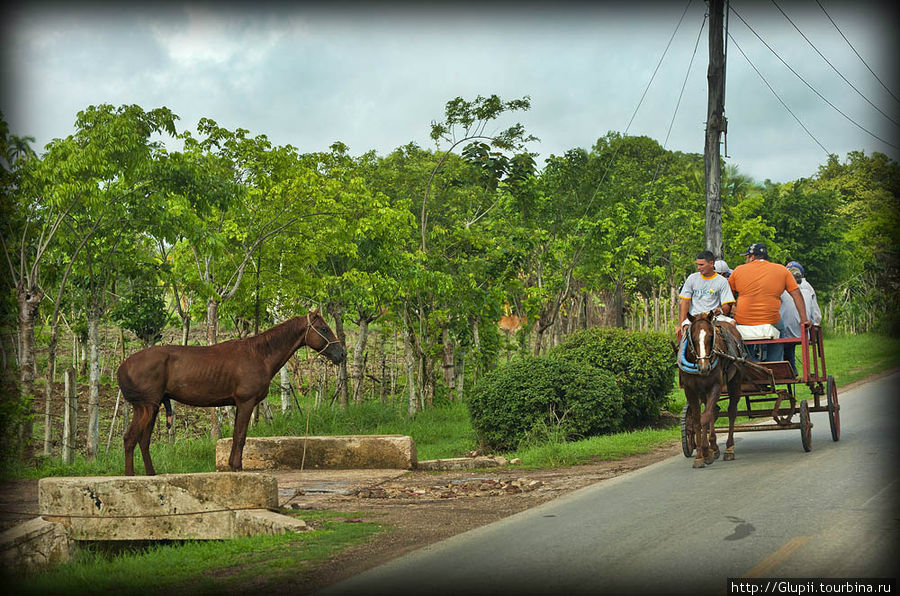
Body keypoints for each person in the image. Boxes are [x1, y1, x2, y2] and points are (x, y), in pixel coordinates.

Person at [728, 243, 809, 362]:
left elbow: (728, 297)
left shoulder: (738, 271)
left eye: (746, 257)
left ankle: (748, 361)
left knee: (741, 336)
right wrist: (804, 320)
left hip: (743, 320)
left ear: (752, 257)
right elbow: (797, 295)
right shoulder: (782, 270)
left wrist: (733, 307)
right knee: (781, 330)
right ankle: (775, 363)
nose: (746, 260)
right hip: (771, 319)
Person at [779, 261, 822, 374]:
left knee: (784, 333)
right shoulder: (808, 290)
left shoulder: (782, 291)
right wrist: (815, 326)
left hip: (787, 333)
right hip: (805, 331)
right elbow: (815, 313)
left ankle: (788, 367)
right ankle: (791, 367)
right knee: (790, 337)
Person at [679, 250, 735, 332]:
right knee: (685, 330)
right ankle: (681, 345)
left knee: (732, 323)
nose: (699, 268)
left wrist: (721, 310)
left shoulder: (722, 281)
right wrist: (682, 323)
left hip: (714, 317)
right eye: (698, 265)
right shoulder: (692, 278)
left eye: (701, 265)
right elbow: (685, 302)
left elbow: (726, 304)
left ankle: (737, 345)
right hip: (695, 317)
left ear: (711, 264)